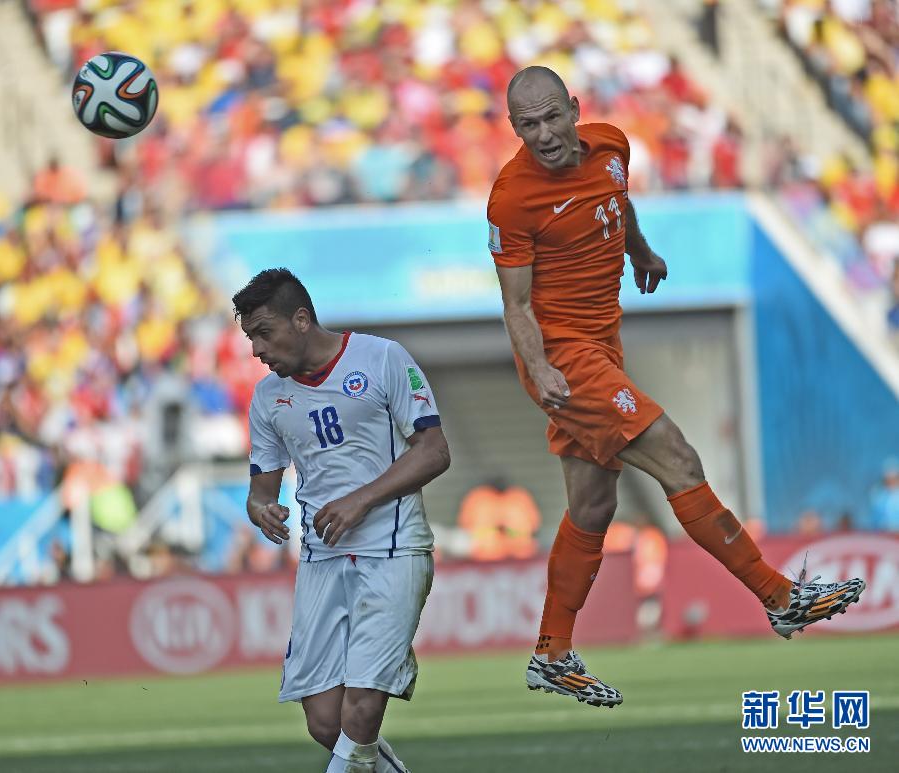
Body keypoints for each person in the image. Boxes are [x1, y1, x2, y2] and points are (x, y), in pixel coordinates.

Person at [487, 66, 866, 708]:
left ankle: (552, 652)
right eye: (529, 124)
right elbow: (516, 305)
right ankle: (779, 598)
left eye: (553, 117)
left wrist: (641, 251)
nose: (545, 134)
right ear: (514, 127)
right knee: (678, 458)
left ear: (576, 109)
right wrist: (543, 368)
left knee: (592, 507)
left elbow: (618, 201)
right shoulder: (511, 198)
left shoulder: (611, 145)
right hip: (563, 359)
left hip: (603, 346)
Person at [233, 268, 450, 772]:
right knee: (326, 723)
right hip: (321, 556)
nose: (256, 350)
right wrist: (262, 510)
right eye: (249, 337)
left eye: (264, 332)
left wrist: (361, 500)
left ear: (302, 320)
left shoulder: (382, 359)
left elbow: (435, 451)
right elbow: (259, 491)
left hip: (393, 548)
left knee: (361, 710)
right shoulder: (268, 398)